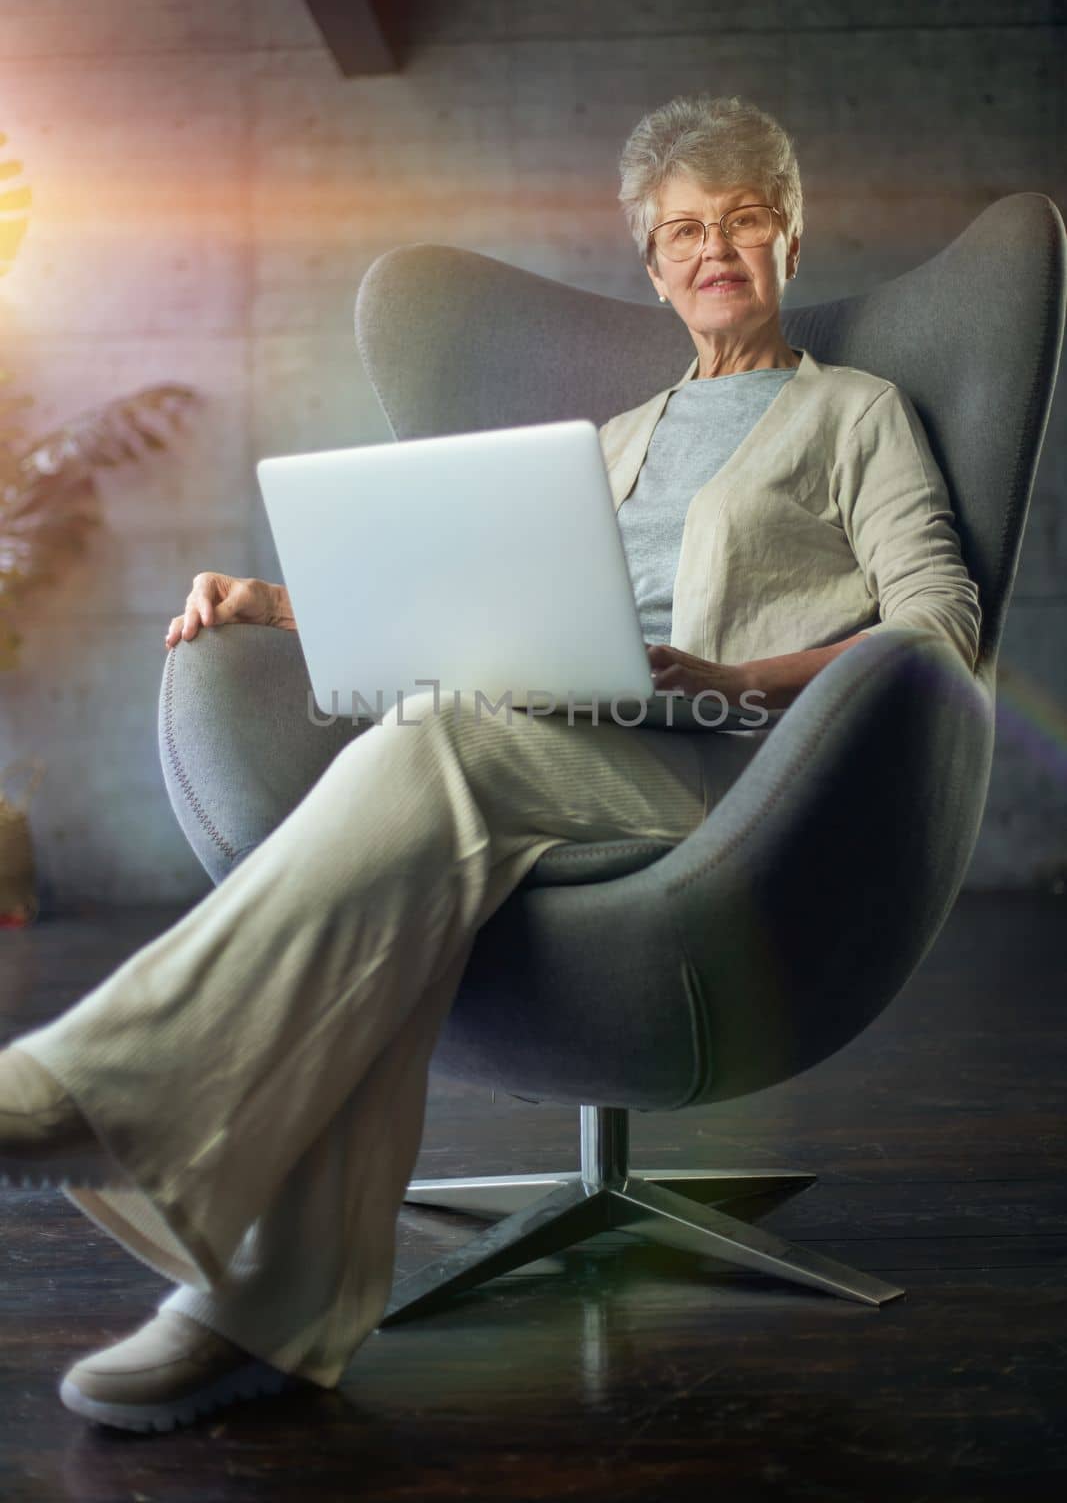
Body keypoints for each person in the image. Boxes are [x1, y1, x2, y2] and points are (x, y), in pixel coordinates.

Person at [0, 94, 981, 1434]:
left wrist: (735, 677)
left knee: (438, 751)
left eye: (744, 218)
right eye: (684, 229)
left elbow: (938, 630)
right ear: (651, 264)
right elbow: (484, 614)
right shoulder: (613, 441)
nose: (715, 249)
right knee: (425, 784)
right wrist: (276, 606)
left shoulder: (856, 416)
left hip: (723, 787)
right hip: (537, 742)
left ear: (791, 239)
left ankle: (98, 1096)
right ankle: (278, 1306)